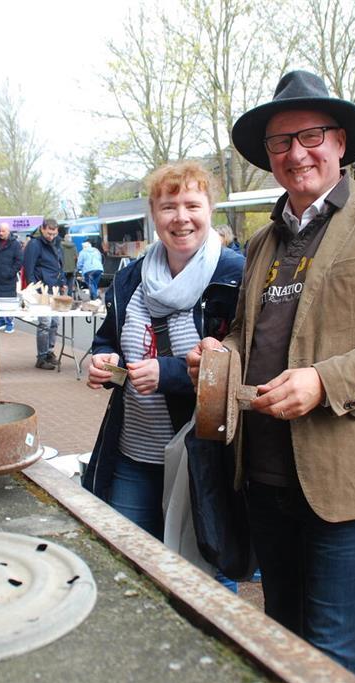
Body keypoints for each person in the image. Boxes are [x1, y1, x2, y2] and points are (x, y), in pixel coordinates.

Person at [184, 71, 355, 682]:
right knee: (282, 635)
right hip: (267, 473)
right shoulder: (261, 242)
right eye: (280, 143)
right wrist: (218, 355)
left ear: (340, 143)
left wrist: (324, 382)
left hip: (348, 481)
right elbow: (248, 334)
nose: (296, 153)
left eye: (311, 136)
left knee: (334, 652)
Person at [82, 160, 245, 541]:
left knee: (202, 582)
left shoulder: (235, 277)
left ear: (210, 211)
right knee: (130, 562)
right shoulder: (130, 278)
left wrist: (167, 374)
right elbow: (109, 336)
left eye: (192, 205)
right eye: (168, 207)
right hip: (133, 455)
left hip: (202, 462)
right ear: (153, 215)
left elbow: (245, 367)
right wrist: (104, 359)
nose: (181, 218)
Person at [23, 218, 65, 370]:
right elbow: (29, 268)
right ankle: (41, 357)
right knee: (45, 323)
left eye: (54, 234)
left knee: (55, 322)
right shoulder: (35, 244)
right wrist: (35, 288)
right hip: (41, 290)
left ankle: (49, 351)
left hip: (54, 288)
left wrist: (63, 282)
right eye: (49, 233)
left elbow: (60, 266)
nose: (51, 237)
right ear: (42, 229)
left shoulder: (57, 244)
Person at [0, 222, 23, 334]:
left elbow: (19, 261)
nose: (1, 233)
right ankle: (0, 321)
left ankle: (9, 323)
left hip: (9, 279)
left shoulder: (15, 245)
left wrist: (10, 272)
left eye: (3, 231)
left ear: (8, 231)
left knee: (8, 303)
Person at [60, 227, 78, 297]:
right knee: (70, 282)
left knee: (62, 282)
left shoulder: (61, 246)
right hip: (72, 268)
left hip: (63, 267)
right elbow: (76, 257)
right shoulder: (74, 246)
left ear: (64, 239)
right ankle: (69, 295)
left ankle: (62, 295)